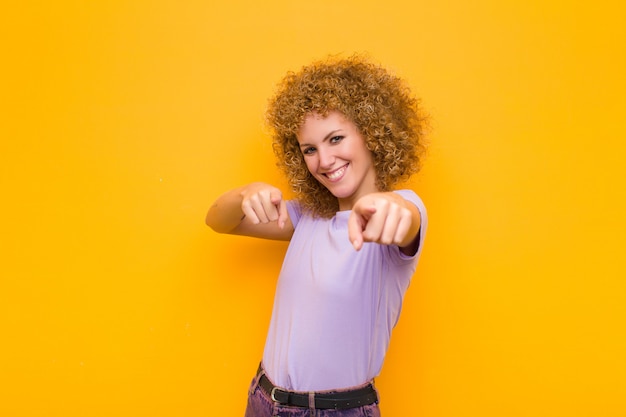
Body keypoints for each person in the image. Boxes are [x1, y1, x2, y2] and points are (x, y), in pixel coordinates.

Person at [206, 55, 428, 416]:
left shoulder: (400, 207)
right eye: (310, 149)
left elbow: (406, 218)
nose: (324, 161)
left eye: (336, 138)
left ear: (372, 133)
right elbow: (218, 220)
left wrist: (390, 209)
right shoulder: (306, 217)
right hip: (262, 400)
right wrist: (245, 193)